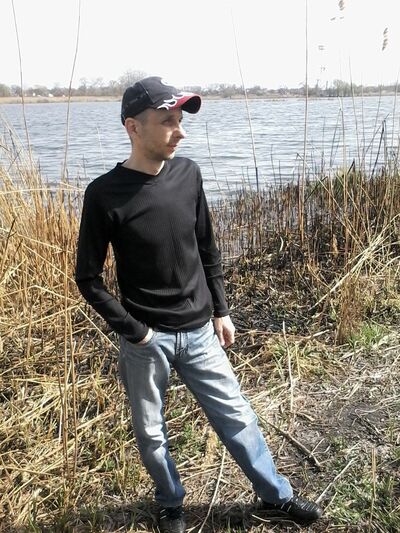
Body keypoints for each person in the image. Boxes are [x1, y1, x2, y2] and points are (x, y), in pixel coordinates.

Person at [75, 76, 322, 533]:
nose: (180, 131)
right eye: (168, 121)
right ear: (133, 126)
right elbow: (87, 278)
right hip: (146, 343)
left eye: (180, 120)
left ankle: (275, 496)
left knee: (238, 418)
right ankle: (171, 503)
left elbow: (207, 247)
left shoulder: (188, 174)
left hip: (200, 332)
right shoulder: (104, 194)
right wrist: (137, 333)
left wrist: (221, 310)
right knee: (151, 434)